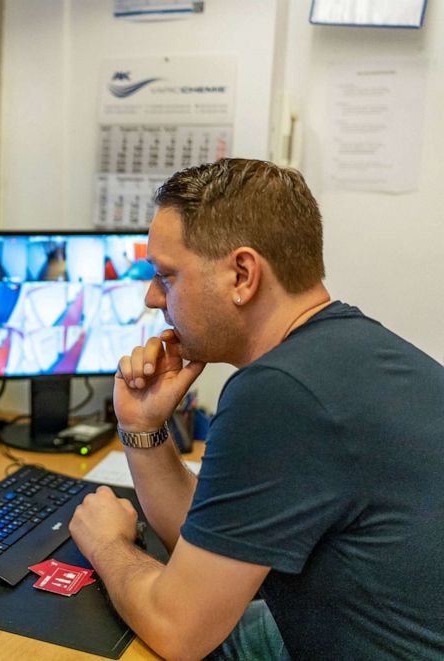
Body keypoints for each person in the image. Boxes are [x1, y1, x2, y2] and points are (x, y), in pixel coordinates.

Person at [69, 158, 444, 659]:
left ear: (243, 275)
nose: (152, 297)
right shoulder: (352, 351)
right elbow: (219, 542)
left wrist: (108, 546)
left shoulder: (280, 393)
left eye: (167, 275)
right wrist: (142, 426)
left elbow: (178, 630)